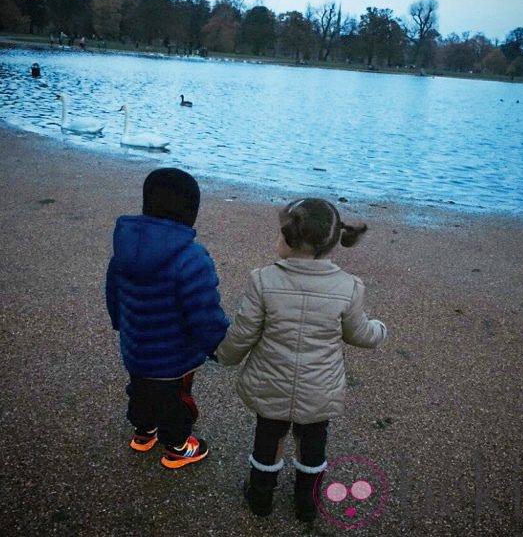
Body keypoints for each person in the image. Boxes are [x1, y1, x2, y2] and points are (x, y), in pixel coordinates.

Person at [216, 198, 387, 521]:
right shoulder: (348, 287)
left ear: (289, 239)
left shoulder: (263, 280)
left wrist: (224, 355)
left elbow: (244, 332)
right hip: (318, 387)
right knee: (313, 440)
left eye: (280, 234)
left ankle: (260, 496)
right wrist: (380, 330)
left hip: (271, 384)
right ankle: (306, 503)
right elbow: (359, 333)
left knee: (268, 436)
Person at [106, 168, 229, 469]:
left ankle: (143, 432)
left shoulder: (124, 249)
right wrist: (218, 344)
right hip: (174, 358)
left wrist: (121, 323)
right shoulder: (192, 258)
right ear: (191, 213)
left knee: (140, 391)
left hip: (136, 347)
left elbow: (113, 293)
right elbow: (203, 311)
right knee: (176, 401)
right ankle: (177, 447)